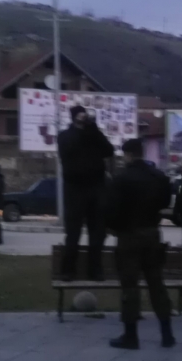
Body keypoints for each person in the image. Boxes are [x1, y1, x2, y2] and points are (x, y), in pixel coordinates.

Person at [107, 138, 175, 350]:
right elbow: (165, 203)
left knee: (130, 287)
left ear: (127, 154)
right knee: (157, 284)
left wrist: (115, 227)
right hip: (152, 234)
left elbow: (112, 210)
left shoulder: (121, 179)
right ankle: (167, 334)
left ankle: (131, 335)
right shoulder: (158, 177)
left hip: (128, 237)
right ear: (142, 153)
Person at [58, 105, 114, 281]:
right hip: (74, 188)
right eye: (81, 114)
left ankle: (95, 270)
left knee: (97, 233)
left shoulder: (94, 134)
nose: (84, 117)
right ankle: (68, 270)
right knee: (73, 233)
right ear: (74, 117)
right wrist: (85, 132)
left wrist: (94, 130)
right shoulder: (65, 136)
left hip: (96, 187)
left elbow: (109, 150)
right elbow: (69, 150)